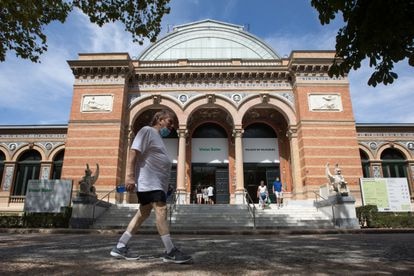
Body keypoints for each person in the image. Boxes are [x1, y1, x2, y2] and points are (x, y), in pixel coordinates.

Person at [110, 109, 192, 264]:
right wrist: (129, 176)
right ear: (160, 119)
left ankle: (120, 246)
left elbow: (156, 162)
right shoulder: (147, 131)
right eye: (169, 121)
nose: (172, 126)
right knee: (161, 209)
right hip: (150, 182)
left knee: (143, 213)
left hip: (156, 183)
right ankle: (170, 251)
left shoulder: (157, 138)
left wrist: (166, 185)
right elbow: (134, 152)